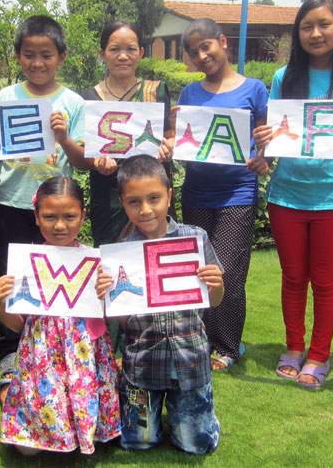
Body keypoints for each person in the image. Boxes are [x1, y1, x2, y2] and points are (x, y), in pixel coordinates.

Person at [252, 0, 333, 388]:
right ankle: (294, 346)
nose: (316, 33)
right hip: (286, 196)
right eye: (307, 26)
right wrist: (264, 149)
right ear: (297, 33)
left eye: (324, 25)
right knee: (292, 277)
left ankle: (319, 354)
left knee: (326, 281)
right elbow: (277, 139)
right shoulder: (283, 77)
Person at [95, 154, 224, 454]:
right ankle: (145, 411)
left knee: (196, 444)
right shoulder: (120, 254)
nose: (146, 209)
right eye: (134, 201)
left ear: (169, 195)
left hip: (190, 361)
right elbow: (125, 322)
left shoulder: (196, 238)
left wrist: (216, 284)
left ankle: (199, 417)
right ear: (123, 204)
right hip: (142, 366)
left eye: (154, 198)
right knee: (137, 442)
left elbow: (214, 301)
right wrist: (108, 298)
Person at [0, 15, 89, 404]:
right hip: (13, 202)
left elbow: (81, 163)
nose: (37, 63)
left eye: (46, 55)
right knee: (13, 277)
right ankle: (12, 347)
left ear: (61, 57)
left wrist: (63, 137)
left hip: (56, 209)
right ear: (18, 56)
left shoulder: (73, 102)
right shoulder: (4, 98)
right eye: (29, 55)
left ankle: (56, 339)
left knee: (56, 275)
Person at [0, 177, 120, 455]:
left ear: (83, 216)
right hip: (42, 359)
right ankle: (10, 391)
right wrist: (0, 301)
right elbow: (14, 326)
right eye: (50, 217)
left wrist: (108, 293)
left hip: (84, 356)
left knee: (95, 436)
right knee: (28, 451)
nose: (60, 225)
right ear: (36, 217)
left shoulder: (95, 261)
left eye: (69, 216)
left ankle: (78, 427)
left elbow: (114, 316)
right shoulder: (26, 264)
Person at [177, 18, 269, 369]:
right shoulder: (190, 93)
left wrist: (264, 158)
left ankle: (228, 346)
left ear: (223, 42)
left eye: (206, 46)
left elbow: (267, 138)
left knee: (228, 270)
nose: (201, 56)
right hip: (196, 191)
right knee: (198, 269)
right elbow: (184, 139)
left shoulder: (255, 89)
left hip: (238, 192)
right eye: (194, 52)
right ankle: (199, 338)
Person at [81, 20, 175, 246]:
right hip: (109, 196)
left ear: (141, 52)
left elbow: (170, 136)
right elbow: (83, 149)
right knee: (111, 260)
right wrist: (96, 162)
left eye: (131, 49)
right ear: (102, 53)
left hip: (151, 192)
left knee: (154, 254)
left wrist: (169, 149)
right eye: (114, 49)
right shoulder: (89, 97)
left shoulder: (157, 91)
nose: (123, 56)